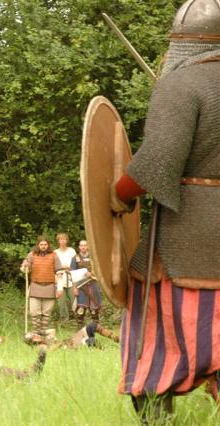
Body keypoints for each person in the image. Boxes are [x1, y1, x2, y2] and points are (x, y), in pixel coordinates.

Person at [109, 2, 220, 419]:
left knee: (154, 346)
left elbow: (157, 162)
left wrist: (119, 193)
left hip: (185, 239)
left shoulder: (181, 84)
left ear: (182, 42)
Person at [21, 236, 62, 344]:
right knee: (34, 313)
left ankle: (43, 335)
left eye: (45, 244)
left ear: (48, 245)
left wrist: (60, 288)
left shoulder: (54, 255)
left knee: (46, 314)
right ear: (38, 245)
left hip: (50, 287)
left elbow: (59, 273)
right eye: (41, 244)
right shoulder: (32, 255)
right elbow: (25, 269)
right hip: (35, 286)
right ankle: (36, 335)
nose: (43, 246)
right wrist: (25, 265)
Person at [70, 240, 102, 328]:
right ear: (79, 247)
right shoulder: (75, 258)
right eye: (81, 245)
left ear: (88, 246)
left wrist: (92, 273)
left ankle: (96, 328)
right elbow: (72, 274)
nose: (83, 247)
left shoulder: (94, 257)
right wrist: (74, 288)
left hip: (93, 284)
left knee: (94, 308)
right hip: (81, 286)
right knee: (81, 308)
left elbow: (100, 270)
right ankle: (80, 328)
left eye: (85, 245)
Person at [53, 233, 77, 322]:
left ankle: (78, 318)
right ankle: (64, 320)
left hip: (71, 277)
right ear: (58, 241)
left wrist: (69, 268)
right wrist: (61, 268)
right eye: (61, 239)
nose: (62, 241)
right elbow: (53, 266)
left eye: (64, 239)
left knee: (74, 298)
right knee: (61, 301)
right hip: (59, 277)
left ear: (67, 240)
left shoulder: (72, 251)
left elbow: (75, 264)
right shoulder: (55, 252)